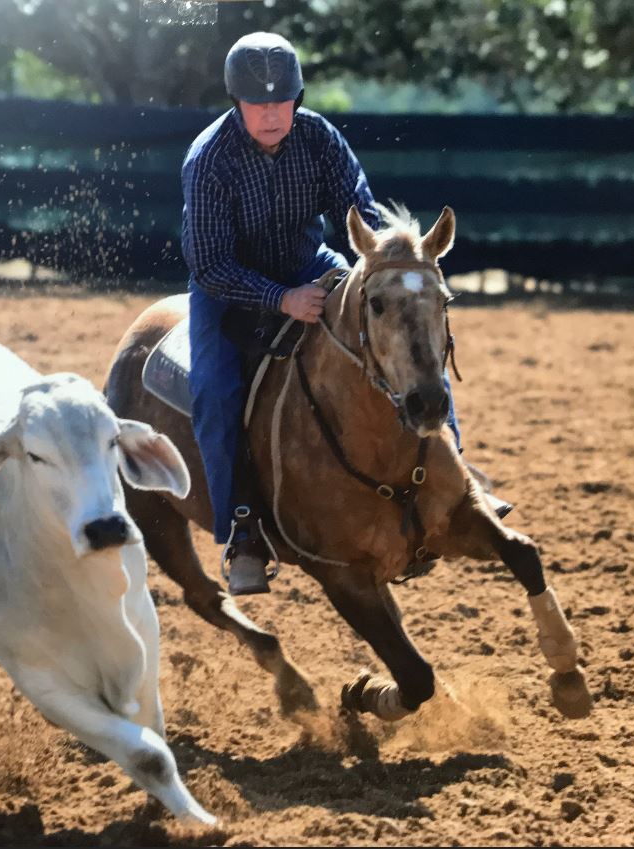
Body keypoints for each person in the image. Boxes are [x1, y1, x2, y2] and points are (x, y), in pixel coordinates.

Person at [181, 32, 504, 596]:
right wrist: (281, 299)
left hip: (312, 262)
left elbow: (361, 210)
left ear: (297, 99)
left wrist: (386, 261)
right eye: (258, 105)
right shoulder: (208, 160)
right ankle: (243, 531)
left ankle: (460, 484)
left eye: (282, 103)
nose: (271, 114)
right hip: (230, 283)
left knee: (405, 336)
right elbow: (208, 264)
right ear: (236, 103)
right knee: (214, 392)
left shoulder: (319, 138)